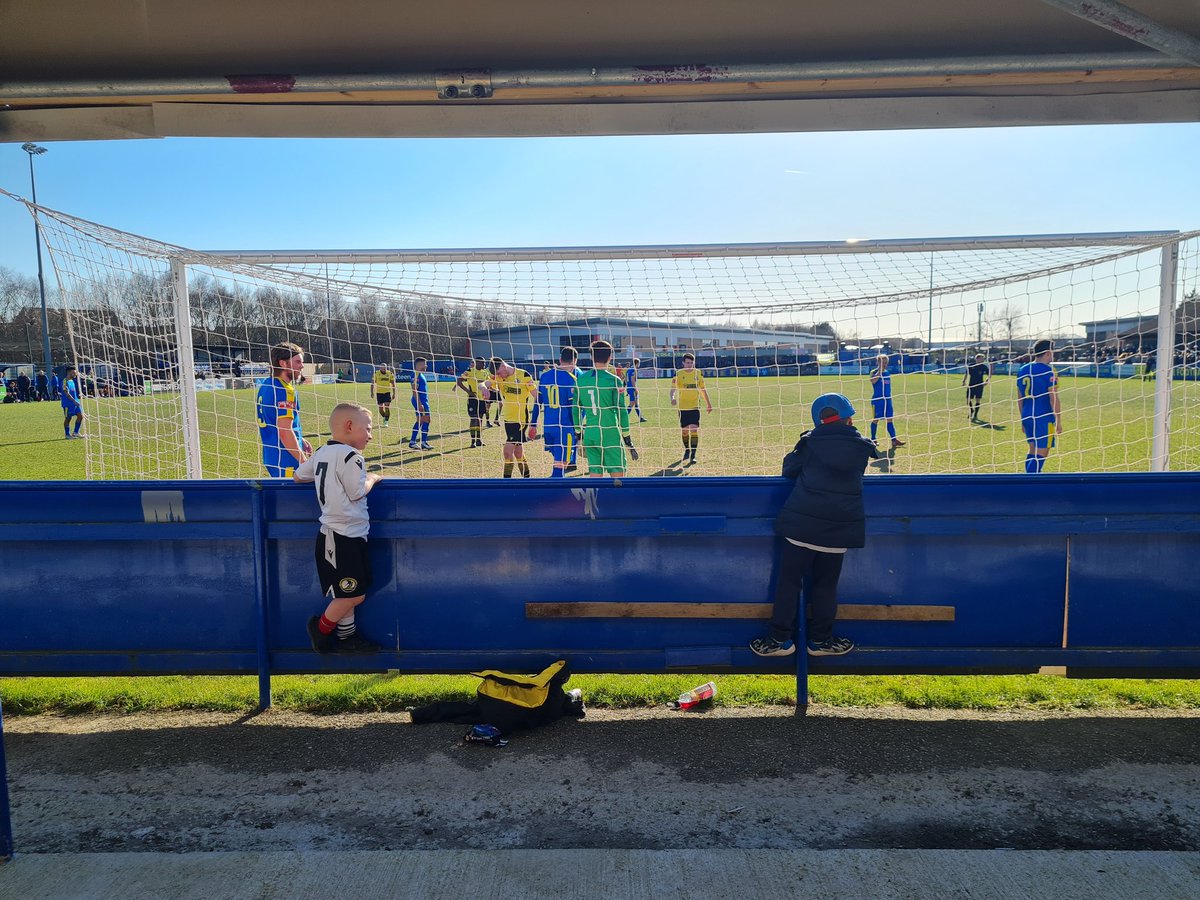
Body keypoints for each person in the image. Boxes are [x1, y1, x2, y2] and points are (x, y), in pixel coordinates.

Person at [750, 393, 879, 659]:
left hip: (802, 526)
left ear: (818, 421)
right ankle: (820, 640)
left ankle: (779, 639)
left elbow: (789, 469)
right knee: (826, 586)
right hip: (839, 529)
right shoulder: (862, 448)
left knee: (789, 582)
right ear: (849, 418)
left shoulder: (809, 443)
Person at [295, 402, 382, 654]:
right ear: (349, 426)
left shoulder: (323, 451)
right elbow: (357, 492)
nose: (370, 434)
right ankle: (321, 629)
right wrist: (372, 478)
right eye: (367, 428)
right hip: (341, 536)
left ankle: (347, 638)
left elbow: (298, 476)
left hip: (344, 535)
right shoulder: (351, 456)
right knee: (353, 596)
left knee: (349, 590)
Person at [575, 340, 638, 477]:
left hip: (590, 433)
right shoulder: (614, 380)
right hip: (609, 433)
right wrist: (627, 438)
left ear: (591, 357)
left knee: (595, 476)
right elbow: (621, 410)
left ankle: (597, 499)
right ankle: (617, 499)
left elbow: (576, 409)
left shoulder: (581, 380)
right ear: (610, 358)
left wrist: (579, 435)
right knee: (618, 479)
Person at [255, 341, 313, 477]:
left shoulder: (266, 385)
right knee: (292, 498)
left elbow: (275, 421)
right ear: (283, 363)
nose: (302, 366)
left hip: (271, 455)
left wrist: (300, 440)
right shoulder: (285, 390)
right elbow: (285, 432)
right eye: (298, 362)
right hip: (286, 458)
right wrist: (303, 461)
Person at [529, 346, 580, 477]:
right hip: (564, 429)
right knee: (561, 467)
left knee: (559, 464)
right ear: (575, 361)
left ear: (560, 359)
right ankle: (553, 494)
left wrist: (533, 424)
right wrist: (577, 430)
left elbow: (537, 402)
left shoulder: (545, 376)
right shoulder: (571, 379)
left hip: (548, 429)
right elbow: (573, 409)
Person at [1017, 339, 1061, 474]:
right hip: (1043, 416)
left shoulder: (1023, 369)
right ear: (1048, 352)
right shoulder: (1049, 371)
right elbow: (1053, 398)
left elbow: (1020, 398)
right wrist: (1058, 420)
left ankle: (1031, 480)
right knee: (1042, 453)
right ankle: (1028, 485)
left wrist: (1022, 419)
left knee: (1032, 450)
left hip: (1027, 414)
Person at [487, 357, 536, 477]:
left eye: (499, 373)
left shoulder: (524, 375)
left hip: (520, 421)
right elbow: (484, 383)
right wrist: (483, 388)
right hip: (508, 420)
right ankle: (527, 477)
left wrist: (534, 422)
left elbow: (537, 396)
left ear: (503, 366)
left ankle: (506, 482)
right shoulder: (498, 377)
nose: (499, 376)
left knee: (507, 452)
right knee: (518, 453)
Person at [670, 352, 712, 465]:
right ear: (683, 363)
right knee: (685, 431)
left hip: (695, 406)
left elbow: (703, 390)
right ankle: (687, 450)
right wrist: (672, 398)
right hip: (683, 408)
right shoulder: (678, 374)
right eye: (687, 363)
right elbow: (672, 389)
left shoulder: (698, 373)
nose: (689, 365)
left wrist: (708, 404)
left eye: (691, 363)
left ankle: (693, 455)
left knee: (694, 429)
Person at [868, 353, 905, 450]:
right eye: (882, 362)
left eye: (885, 362)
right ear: (878, 362)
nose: (884, 364)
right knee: (876, 420)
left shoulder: (888, 373)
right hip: (877, 401)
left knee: (890, 420)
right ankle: (873, 439)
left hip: (888, 401)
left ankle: (894, 440)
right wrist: (879, 371)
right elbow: (873, 381)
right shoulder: (873, 372)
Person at [454, 356, 491, 448]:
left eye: (484, 363)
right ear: (477, 363)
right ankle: (472, 441)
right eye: (482, 363)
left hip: (482, 399)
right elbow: (459, 381)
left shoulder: (485, 373)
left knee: (480, 419)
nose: (484, 364)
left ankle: (479, 440)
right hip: (472, 399)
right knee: (474, 419)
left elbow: (488, 383)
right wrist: (469, 392)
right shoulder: (470, 371)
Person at [407, 358, 433, 450]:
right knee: (427, 420)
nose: (426, 366)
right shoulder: (416, 375)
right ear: (418, 365)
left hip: (421, 400)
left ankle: (413, 441)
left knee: (420, 421)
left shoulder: (420, 374)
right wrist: (419, 403)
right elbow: (414, 390)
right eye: (424, 364)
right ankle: (423, 442)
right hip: (420, 401)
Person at [962, 353, 991, 422]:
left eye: (983, 359)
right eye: (981, 359)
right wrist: (964, 381)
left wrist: (986, 381)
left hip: (980, 385)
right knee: (968, 400)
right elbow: (966, 374)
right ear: (977, 359)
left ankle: (975, 414)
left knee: (978, 400)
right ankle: (971, 410)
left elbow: (989, 374)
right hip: (971, 385)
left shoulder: (984, 367)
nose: (982, 360)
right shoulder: (971, 365)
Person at [60, 365, 84, 439]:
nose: (75, 374)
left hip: (75, 402)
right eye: (74, 372)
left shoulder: (72, 381)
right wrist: (74, 401)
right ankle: (67, 434)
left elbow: (73, 392)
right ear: (69, 372)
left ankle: (76, 432)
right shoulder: (65, 381)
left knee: (80, 416)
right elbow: (67, 394)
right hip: (68, 404)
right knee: (68, 418)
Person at [371, 364, 395, 428]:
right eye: (382, 368)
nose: (384, 369)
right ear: (380, 368)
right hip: (379, 393)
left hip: (387, 393)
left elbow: (393, 384)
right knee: (381, 409)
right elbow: (372, 383)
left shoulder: (390, 373)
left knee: (387, 407)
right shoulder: (376, 373)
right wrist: (372, 392)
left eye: (385, 368)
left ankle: (386, 421)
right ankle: (384, 417)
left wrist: (394, 393)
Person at [626, 357, 646, 422]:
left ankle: (641, 418)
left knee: (636, 403)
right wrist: (635, 388)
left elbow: (626, 379)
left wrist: (627, 388)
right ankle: (623, 418)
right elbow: (632, 379)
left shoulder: (629, 369)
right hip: (632, 388)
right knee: (632, 404)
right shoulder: (633, 369)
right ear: (637, 363)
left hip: (629, 388)